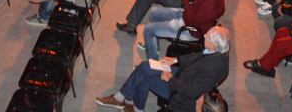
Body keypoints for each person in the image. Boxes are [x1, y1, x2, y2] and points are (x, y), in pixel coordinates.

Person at [95, 26, 231, 112]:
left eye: (208, 35)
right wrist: (176, 60)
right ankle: (122, 99)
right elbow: (197, 57)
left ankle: (130, 104)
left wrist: (170, 78)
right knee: (145, 65)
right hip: (184, 75)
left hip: (181, 94)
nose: (205, 35)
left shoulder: (213, 67)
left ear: (214, 45)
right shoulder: (218, 52)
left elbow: (191, 91)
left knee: (145, 78)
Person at [141, 0, 226, 60]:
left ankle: (152, 62)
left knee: (148, 29)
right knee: (153, 12)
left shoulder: (212, 5)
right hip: (189, 14)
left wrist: (185, 0)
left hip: (191, 30)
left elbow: (191, 22)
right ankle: (152, 46)